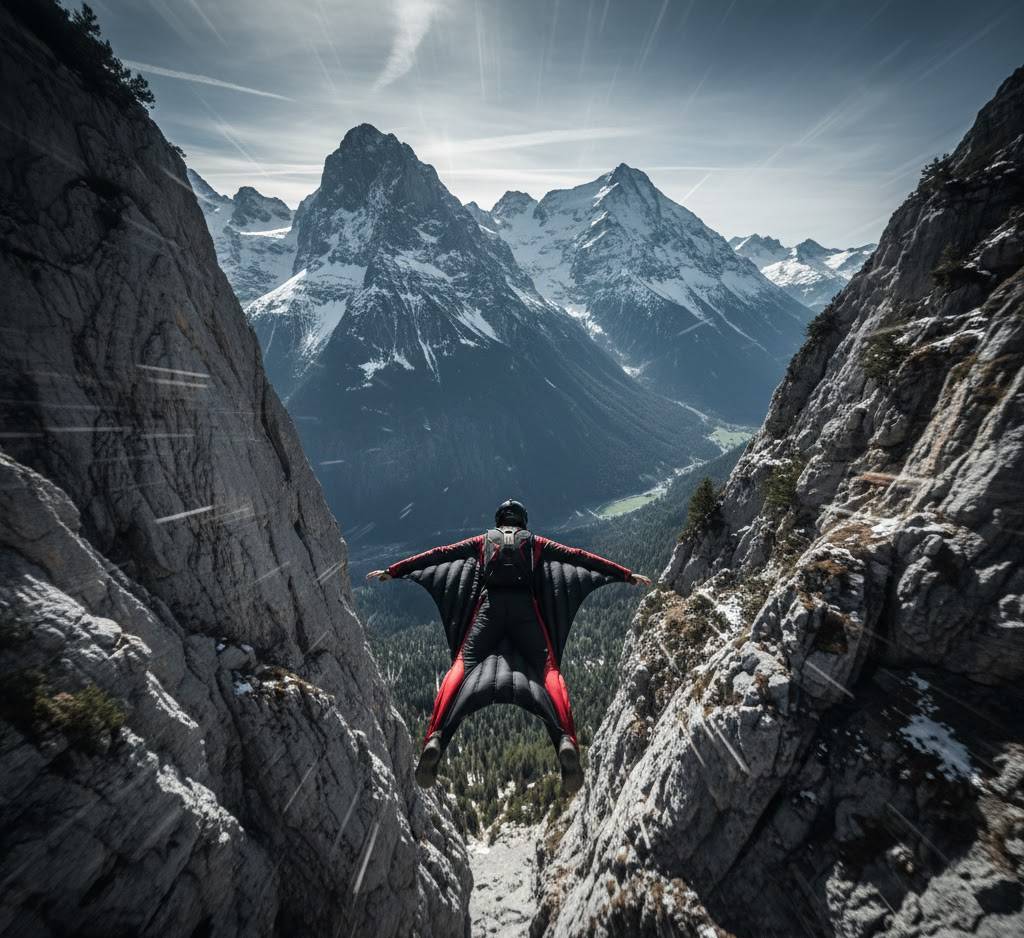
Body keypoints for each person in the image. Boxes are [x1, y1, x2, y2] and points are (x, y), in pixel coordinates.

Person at [366, 498, 651, 792]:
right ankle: (565, 739)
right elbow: (579, 557)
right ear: (522, 521)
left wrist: (395, 570)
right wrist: (625, 575)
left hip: (489, 610)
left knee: (461, 666)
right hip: (526, 611)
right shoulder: (535, 542)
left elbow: (439, 555)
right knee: (549, 671)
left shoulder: (483, 541)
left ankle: (436, 736)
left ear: (499, 519)